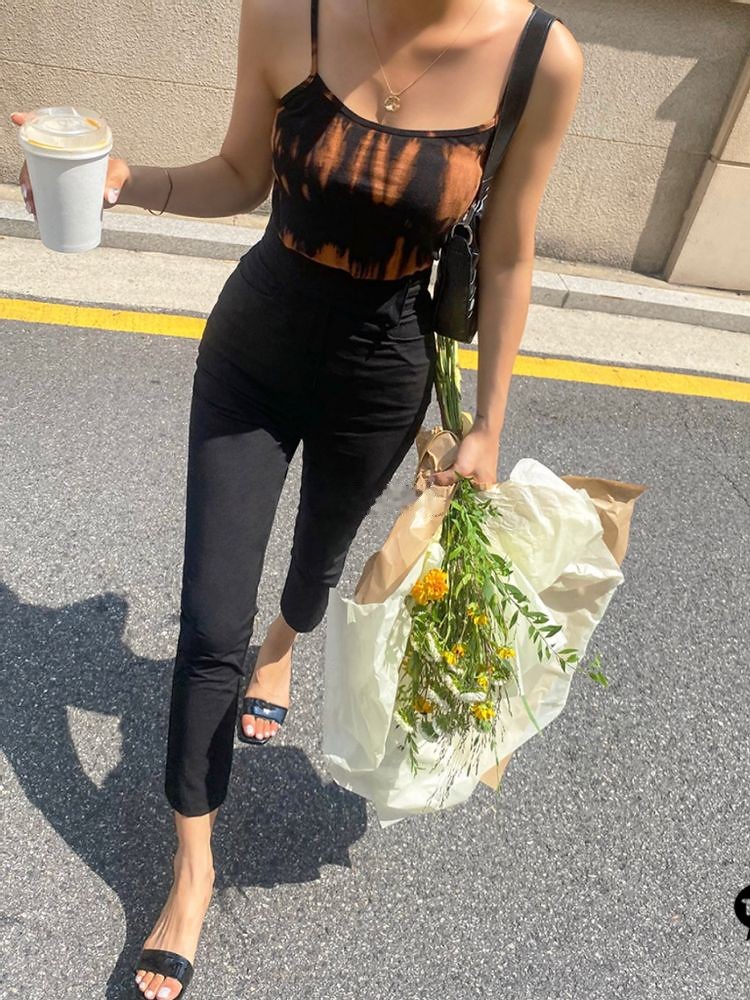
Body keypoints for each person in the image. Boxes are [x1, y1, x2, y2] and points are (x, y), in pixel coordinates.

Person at [11, 0, 582, 996]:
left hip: (385, 369)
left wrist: (488, 424)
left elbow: (507, 251)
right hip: (255, 350)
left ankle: (282, 647)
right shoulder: (289, 11)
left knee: (318, 565)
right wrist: (126, 181)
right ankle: (193, 869)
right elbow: (241, 172)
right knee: (209, 623)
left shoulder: (540, 58)